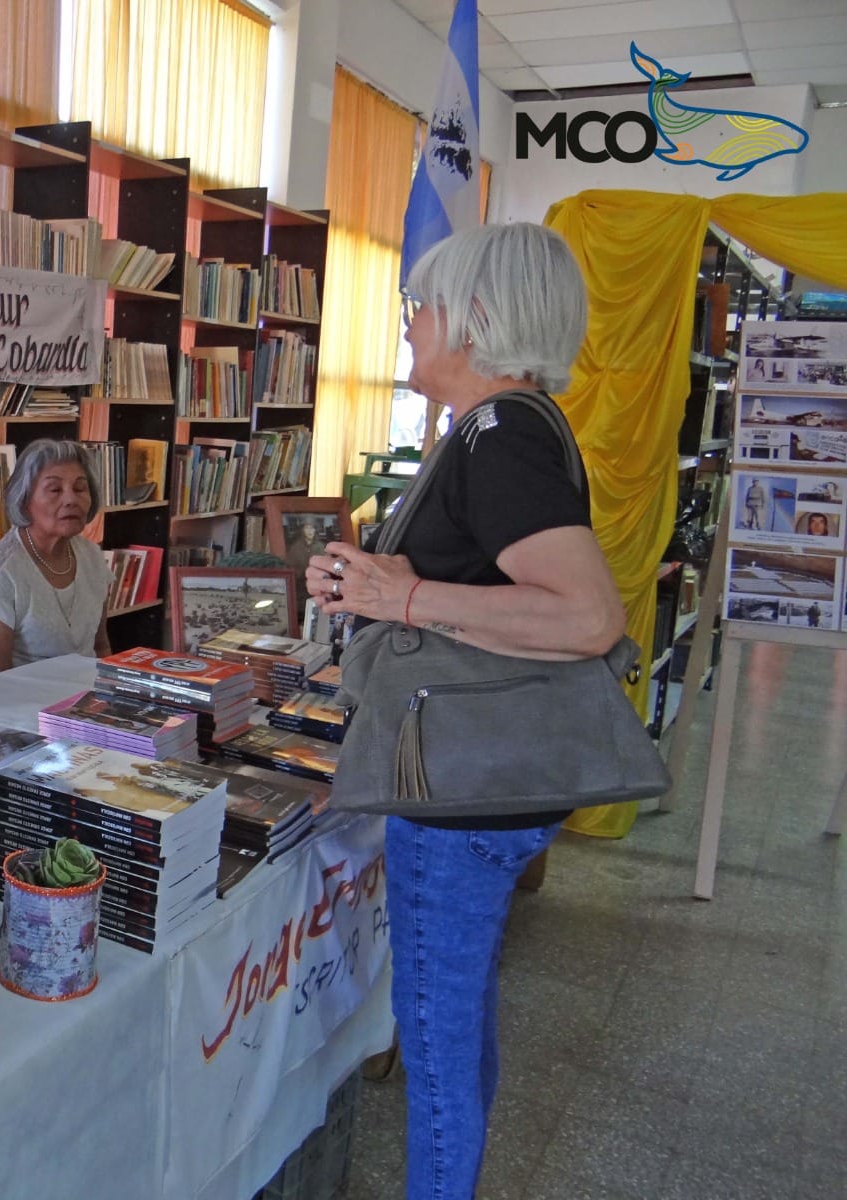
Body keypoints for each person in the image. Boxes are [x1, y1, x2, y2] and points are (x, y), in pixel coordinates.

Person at [304, 222, 626, 1200]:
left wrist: (399, 600)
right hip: (477, 771)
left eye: (426, 306)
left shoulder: (500, 435)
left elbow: (583, 615)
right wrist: (387, 577)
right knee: (456, 1017)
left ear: (477, 322)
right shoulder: (501, 431)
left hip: (463, 790)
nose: (410, 324)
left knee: (436, 1047)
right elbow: (485, 578)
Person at [0, 439, 113, 679]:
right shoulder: (0, 573)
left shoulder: (92, 556)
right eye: (54, 490)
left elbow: (100, 647)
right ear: (24, 499)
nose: (70, 499)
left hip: (82, 703)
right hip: (19, 707)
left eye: (80, 488)